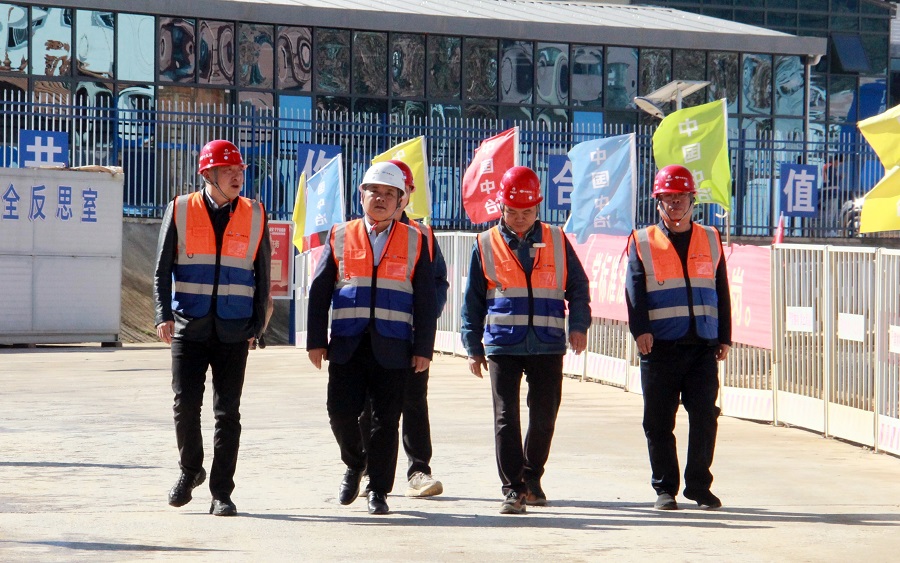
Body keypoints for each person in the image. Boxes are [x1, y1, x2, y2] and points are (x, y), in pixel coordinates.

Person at [306, 161, 437, 515]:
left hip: (394, 346)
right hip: (347, 344)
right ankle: (354, 463)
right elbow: (319, 292)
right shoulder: (340, 234)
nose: (380, 199)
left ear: (400, 201)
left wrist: (423, 348)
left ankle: (378, 490)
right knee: (339, 413)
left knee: (386, 422)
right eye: (374, 191)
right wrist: (316, 340)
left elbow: (426, 300)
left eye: (389, 194)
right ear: (361, 195)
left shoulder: (416, 241)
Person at [461, 165, 591, 515]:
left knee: (545, 414)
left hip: (547, 343)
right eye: (513, 212)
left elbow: (578, 286)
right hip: (503, 343)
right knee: (506, 417)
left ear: (538, 207)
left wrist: (579, 325)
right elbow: (472, 301)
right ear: (501, 208)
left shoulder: (557, 240)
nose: (520, 219)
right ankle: (513, 489)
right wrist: (473, 347)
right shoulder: (485, 244)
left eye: (527, 212)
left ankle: (532, 477)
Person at [154, 139, 271, 517]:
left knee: (227, 412)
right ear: (208, 174)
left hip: (234, 327)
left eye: (240, 171)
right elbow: (162, 269)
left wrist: (257, 325)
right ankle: (190, 470)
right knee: (185, 404)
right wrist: (163, 314)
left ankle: (222, 492)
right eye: (228, 171)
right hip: (189, 323)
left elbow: (263, 274)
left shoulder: (255, 213)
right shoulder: (180, 208)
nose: (237, 177)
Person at [625, 164, 732, 511]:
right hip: (660, 346)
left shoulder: (711, 238)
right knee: (658, 421)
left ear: (692, 200)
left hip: (702, 345)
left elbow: (721, 289)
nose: (674, 204)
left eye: (680, 198)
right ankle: (665, 488)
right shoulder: (642, 240)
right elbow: (634, 291)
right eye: (668, 198)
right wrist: (640, 330)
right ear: (658, 202)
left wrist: (724, 336)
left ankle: (699, 485)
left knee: (705, 416)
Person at [357, 160, 449, 498]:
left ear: (406, 195)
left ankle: (418, 470)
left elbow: (438, 283)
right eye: (378, 191)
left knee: (413, 401)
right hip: (370, 337)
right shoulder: (357, 233)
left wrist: (423, 322)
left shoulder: (421, 236)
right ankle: (368, 469)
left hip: (408, 337)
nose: (387, 198)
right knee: (368, 406)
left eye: (398, 191)